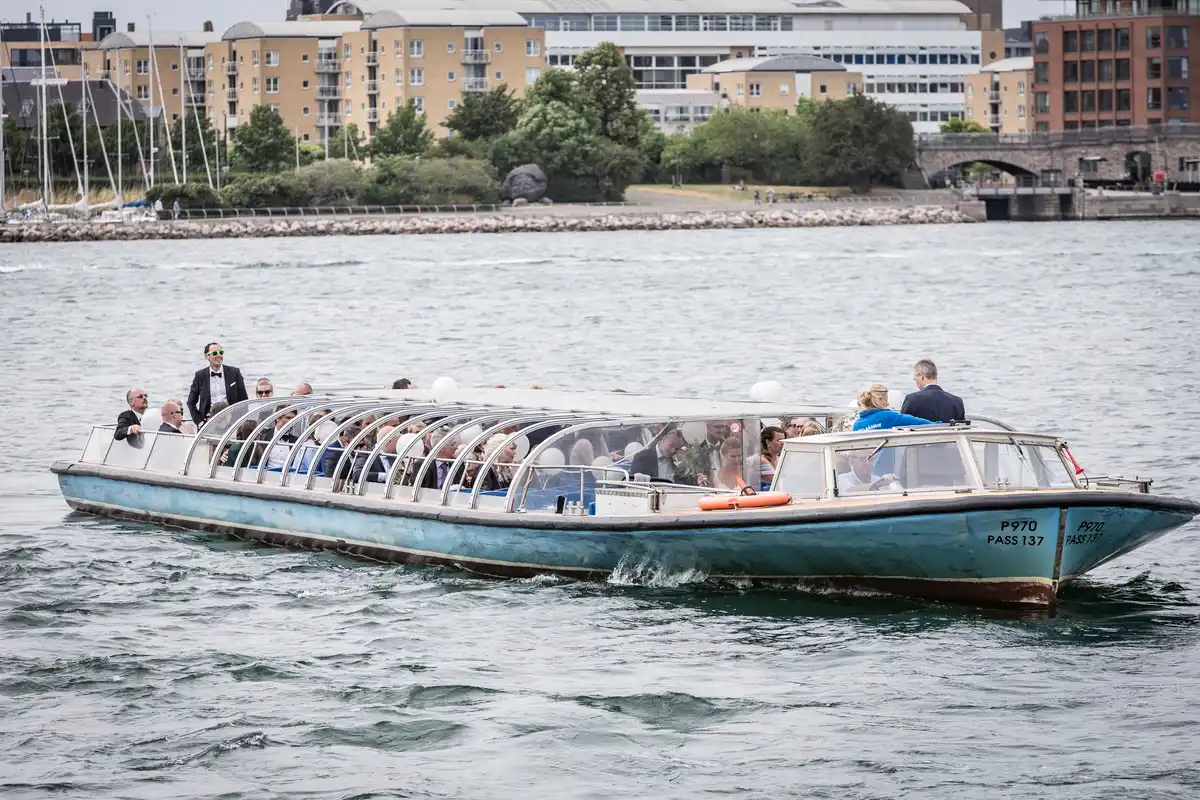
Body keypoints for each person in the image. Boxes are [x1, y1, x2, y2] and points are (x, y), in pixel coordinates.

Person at [187, 342, 249, 426]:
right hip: (208, 422)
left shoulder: (234, 373)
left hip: (232, 422)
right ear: (207, 357)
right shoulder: (200, 376)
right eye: (215, 353)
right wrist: (200, 422)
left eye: (221, 352)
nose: (219, 355)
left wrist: (239, 420)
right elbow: (191, 402)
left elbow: (244, 400)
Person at [901, 359, 965, 424]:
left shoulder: (912, 399)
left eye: (915, 379)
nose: (916, 382)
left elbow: (901, 427)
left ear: (921, 376)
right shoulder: (957, 401)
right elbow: (962, 429)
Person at [853, 384, 933, 431]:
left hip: (865, 459)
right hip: (885, 460)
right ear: (878, 400)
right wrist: (939, 424)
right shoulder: (888, 416)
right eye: (886, 400)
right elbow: (919, 423)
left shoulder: (857, 425)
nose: (888, 404)